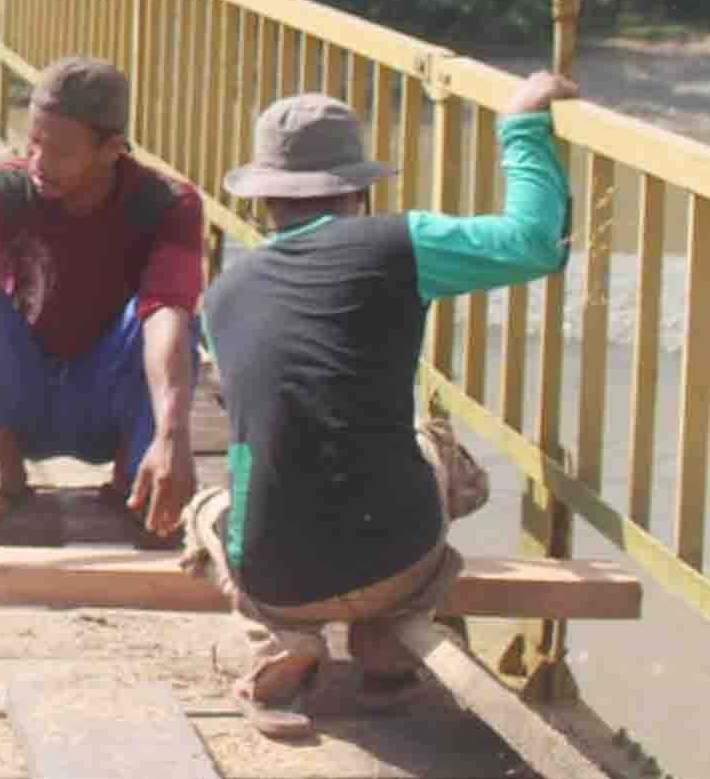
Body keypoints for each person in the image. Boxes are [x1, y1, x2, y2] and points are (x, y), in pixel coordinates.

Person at [187, 76, 576, 738]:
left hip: (280, 577)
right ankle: (386, 637)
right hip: (397, 559)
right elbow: (535, 243)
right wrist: (521, 128)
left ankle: (283, 641)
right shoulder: (399, 243)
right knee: (432, 444)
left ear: (260, 200)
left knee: (210, 509)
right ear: (359, 191)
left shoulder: (222, 295)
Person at [0, 56, 203, 541]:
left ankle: (128, 485)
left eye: (58, 151)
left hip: (105, 400)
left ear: (112, 148)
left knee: (173, 320)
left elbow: (167, 311)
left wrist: (173, 435)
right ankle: (10, 479)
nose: (37, 163)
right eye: (33, 142)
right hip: (22, 395)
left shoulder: (168, 203)